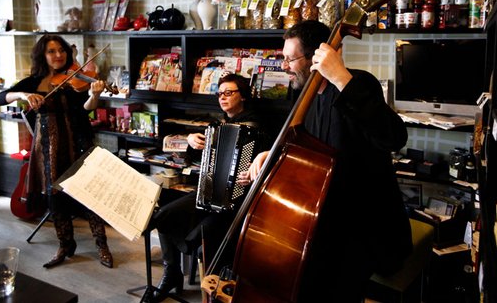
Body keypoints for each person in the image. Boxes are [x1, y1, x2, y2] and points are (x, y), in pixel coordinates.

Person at [238, 20, 412, 301]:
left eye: (289, 59)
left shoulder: (357, 84)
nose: (284, 66)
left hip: (364, 225)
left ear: (317, 57)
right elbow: (301, 143)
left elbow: (394, 137)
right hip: (329, 218)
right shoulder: (306, 99)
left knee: (318, 276)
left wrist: (340, 76)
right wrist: (270, 153)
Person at [0, 35, 113, 269]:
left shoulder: (76, 79)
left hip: (78, 140)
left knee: (90, 195)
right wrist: (23, 95)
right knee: (54, 196)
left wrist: (95, 95)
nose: (58, 55)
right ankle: (65, 245)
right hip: (48, 145)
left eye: (61, 50)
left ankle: (102, 245)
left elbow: (85, 109)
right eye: (52, 51)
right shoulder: (33, 82)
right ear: (43, 55)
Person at [149, 73, 264, 302]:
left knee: (201, 239)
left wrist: (251, 173)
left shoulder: (258, 127)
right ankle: (171, 274)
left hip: (237, 201)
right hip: (208, 192)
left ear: (243, 97)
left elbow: (266, 164)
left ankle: (213, 292)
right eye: (220, 93)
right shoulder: (216, 125)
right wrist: (191, 142)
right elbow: (199, 159)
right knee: (164, 215)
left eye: (229, 92)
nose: (223, 97)